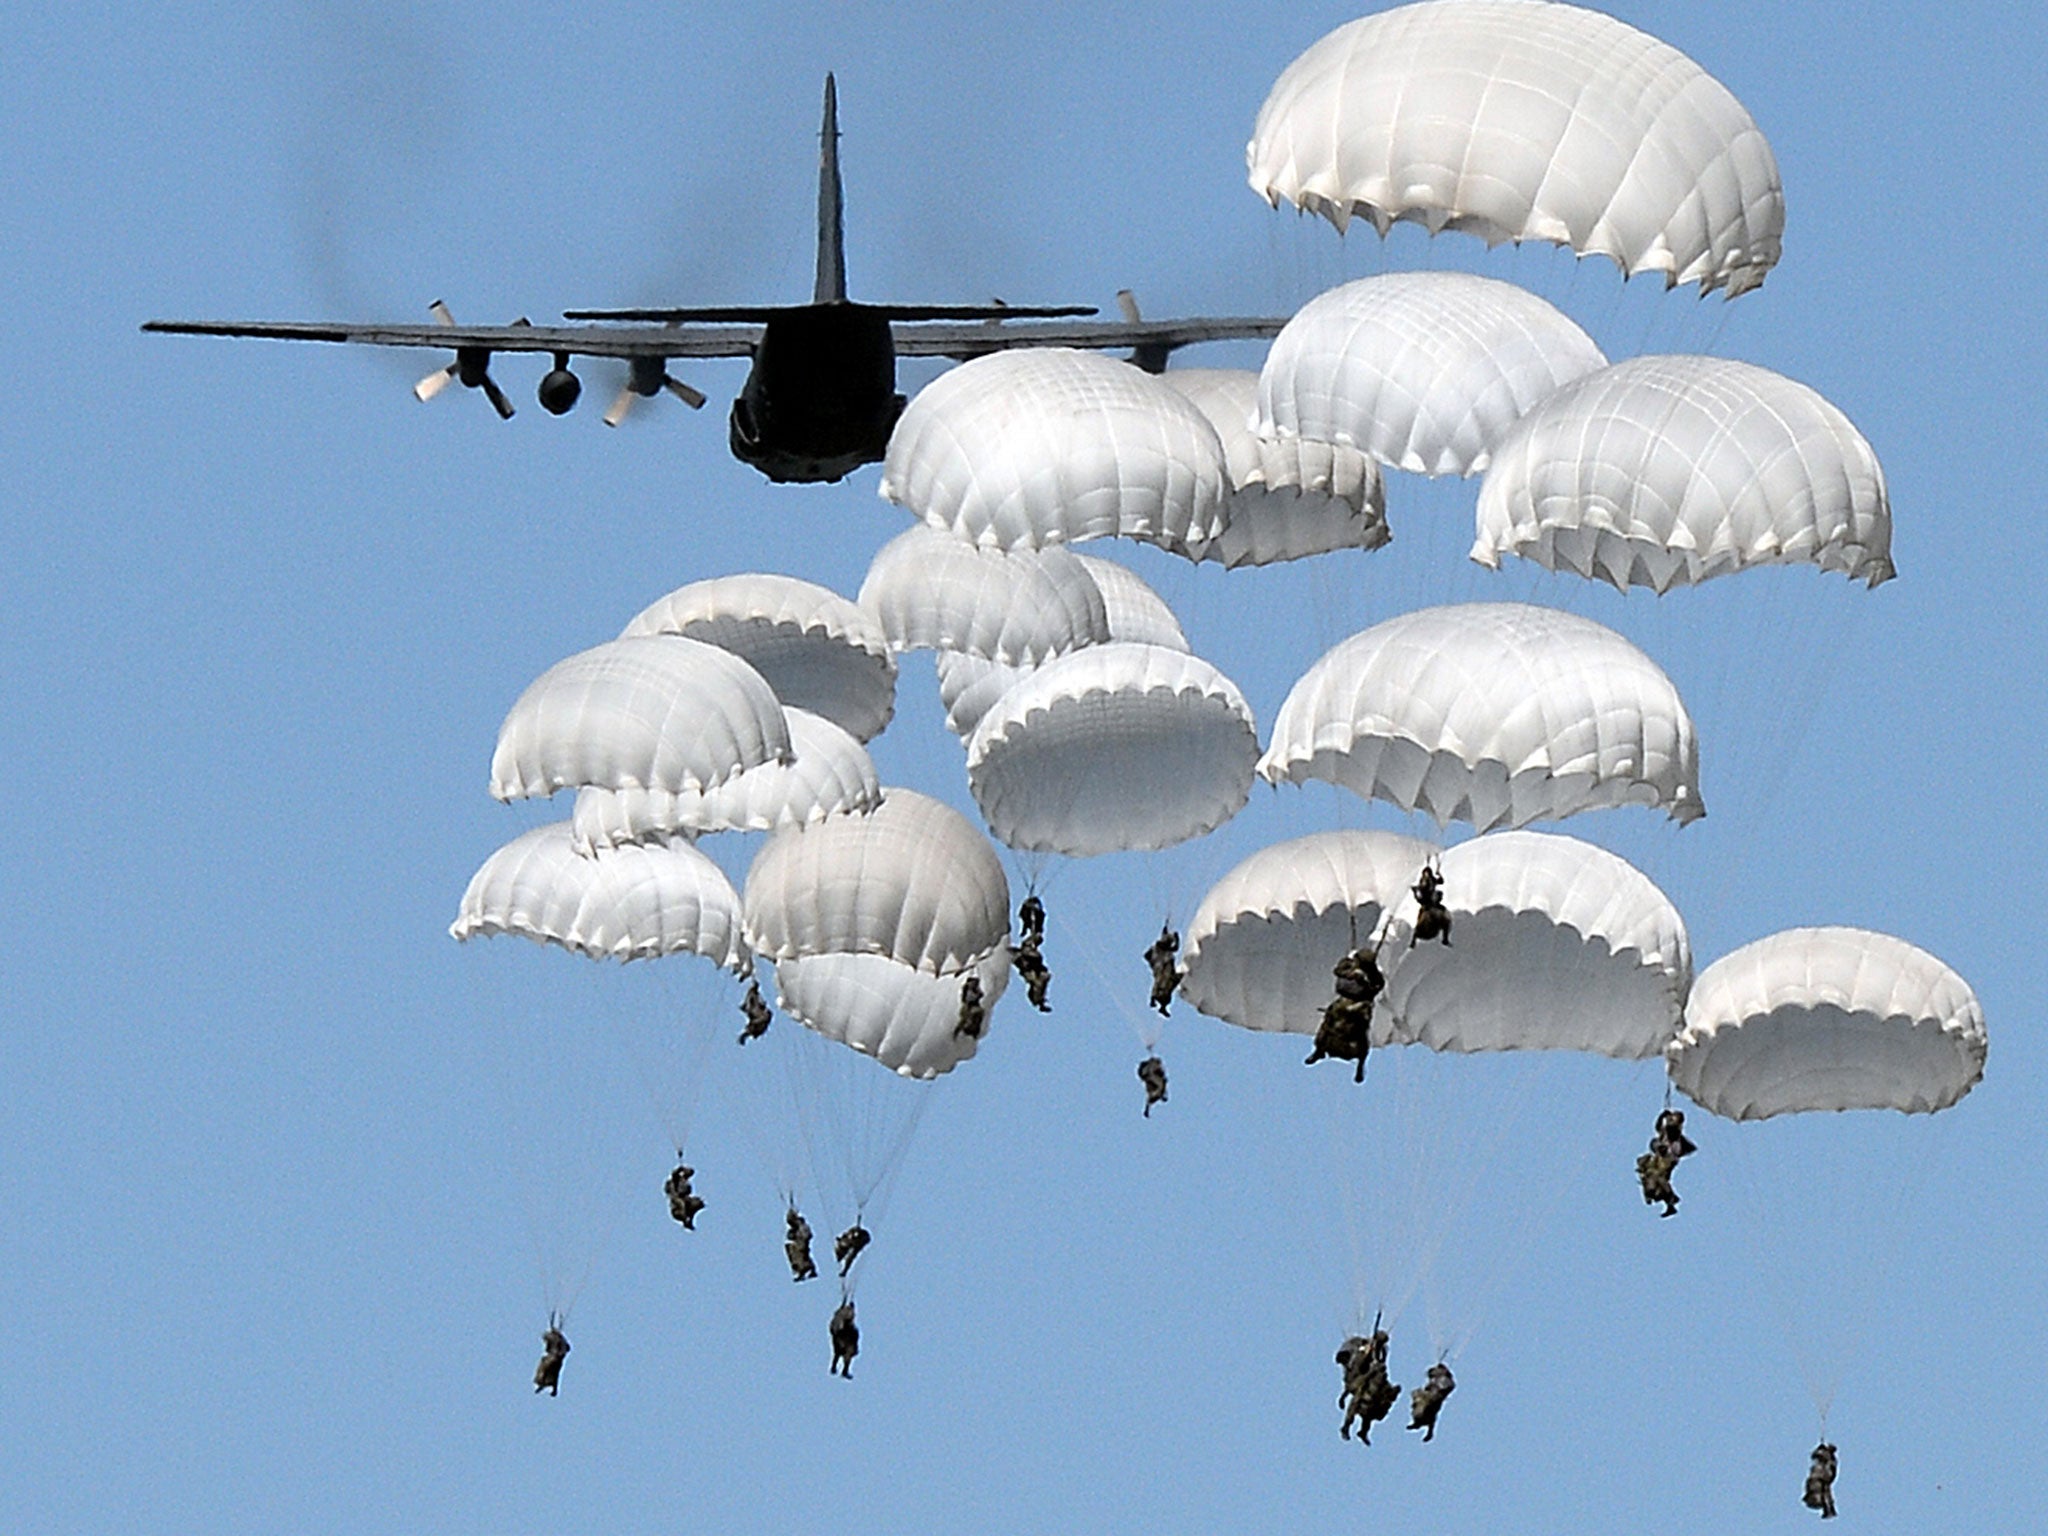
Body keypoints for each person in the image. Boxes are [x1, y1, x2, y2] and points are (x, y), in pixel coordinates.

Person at [1304, 948, 1384, 1083]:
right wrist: (1351, 974)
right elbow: (1337, 971)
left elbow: (1377, 988)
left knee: (1359, 1035)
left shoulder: (1374, 975)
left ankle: (1360, 1065)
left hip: (1359, 1006)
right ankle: (1319, 1050)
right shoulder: (1348, 965)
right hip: (1341, 1002)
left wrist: (1365, 982)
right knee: (1327, 1027)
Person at [1334, 1330, 1399, 1444]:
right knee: (1357, 1401)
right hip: (1360, 1379)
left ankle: (1363, 1432)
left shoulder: (1381, 1351)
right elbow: (1357, 1372)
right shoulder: (1362, 1354)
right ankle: (1346, 1426)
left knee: (1372, 1408)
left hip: (1374, 1379)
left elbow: (1382, 1362)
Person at [1407, 1362, 1456, 1441]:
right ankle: (1418, 1423)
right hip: (1435, 1395)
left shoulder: (1443, 1381)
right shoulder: (1428, 1411)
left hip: (1435, 1394)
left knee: (1418, 1396)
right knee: (1418, 1395)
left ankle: (1418, 1423)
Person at [1411, 865, 1452, 948]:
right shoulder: (1423, 885)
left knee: (1446, 919)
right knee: (1426, 918)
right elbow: (1420, 898)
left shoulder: (1431, 881)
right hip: (1427, 907)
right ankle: (1445, 939)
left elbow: (1441, 881)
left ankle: (1445, 938)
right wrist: (1415, 891)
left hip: (1431, 907)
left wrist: (1439, 874)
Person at [1144, 924, 1181, 1016]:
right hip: (1164, 969)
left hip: (1164, 969)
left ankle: (1161, 1007)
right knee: (1168, 982)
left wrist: (1176, 939)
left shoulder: (1163, 951)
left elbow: (1175, 948)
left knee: (1165, 982)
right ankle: (1162, 1007)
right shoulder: (1159, 949)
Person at [1636, 1148, 1680, 1217]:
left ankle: (1671, 1200)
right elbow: (1645, 1187)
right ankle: (1670, 1201)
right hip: (1654, 1190)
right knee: (1657, 1182)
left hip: (1659, 1187)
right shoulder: (1647, 1175)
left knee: (1660, 1180)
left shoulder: (1655, 1169)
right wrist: (1647, 1198)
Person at [1014, 934, 1052, 1012]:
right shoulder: (1038, 976)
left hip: (1027, 964)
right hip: (1028, 962)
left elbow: (1038, 989)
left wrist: (1041, 1004)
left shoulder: (1036, 980)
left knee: (1029, 956)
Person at [533, 1320, 570, 1396]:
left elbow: (545, 1336)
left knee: (544, 1366)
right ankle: (547, 1384)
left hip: (552, 1358)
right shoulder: (562, 1341)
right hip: (557, 1359)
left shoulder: (554, 1338)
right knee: (553, 1372)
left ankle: (542, 1382)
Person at [664, 1162, 706, 1229]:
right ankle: (685, 1218)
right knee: (681, 1203)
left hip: (682, 1206)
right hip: (677, 1205)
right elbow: (674, 1175)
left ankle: (686, 1219)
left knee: (693, 1204)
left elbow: (691, 1214)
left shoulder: (685, 1182)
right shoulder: (677, 1180)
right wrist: (679, 1169)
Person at [1803, 1441, 1838, 1519]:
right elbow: (1814, 1455)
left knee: (1826, 1494)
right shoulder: (1829, 1460)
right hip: (1822, 1477)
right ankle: (1829, 1510)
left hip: (1822, 1477)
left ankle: (1829, 1510)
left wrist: (1820, 1449)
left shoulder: (1829, 1459)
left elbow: (1818, 1455)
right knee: (1826, 1494)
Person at [785, 1207, 817, 1282]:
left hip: (801, 1244)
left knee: (800, 1254)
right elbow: (790, 1236)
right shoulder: (797, 1227)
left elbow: (807, 1235)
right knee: (793, 1250)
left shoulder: (802, 1226)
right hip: (800, 1245)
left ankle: (804, 1269)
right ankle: (802, 1270)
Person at [829, 1300, 859, 1378]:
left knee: (846, 1354)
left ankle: (843, 1370)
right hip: (840, 1337)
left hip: (845, 1339)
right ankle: (834, 1367)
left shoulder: (852, 1330)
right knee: (839, 1352)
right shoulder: (840, 1318)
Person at [736, 980, 773, 1045]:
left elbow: (748, 1032)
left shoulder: (755, 1025)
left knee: (752, 1001)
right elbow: (763, 1019)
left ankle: (747, 1001)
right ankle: (751, 993)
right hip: (758, 1015)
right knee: (752, 1000)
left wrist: (743, 1036)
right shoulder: (759, 1026)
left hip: (756, 1014)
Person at [954, 974, 987, 1039]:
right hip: (971, 1006)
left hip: (972, 1007)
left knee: (973, 1014)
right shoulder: (967, 988)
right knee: (971, 1014)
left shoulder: (974, 989)